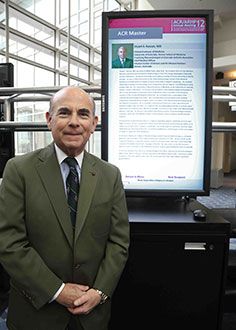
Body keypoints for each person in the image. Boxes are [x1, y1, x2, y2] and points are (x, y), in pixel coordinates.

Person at [0, 86, 130, 330]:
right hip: (36, 313)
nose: (74, 122)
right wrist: (57, 290)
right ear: (49, 120)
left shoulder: (110, 175)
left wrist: (100, 292)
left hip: (92, 314)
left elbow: (119, 242)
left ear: (94, 123)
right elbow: (9, 242)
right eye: (64, 113)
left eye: (82, 114)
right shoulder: (19, 171)